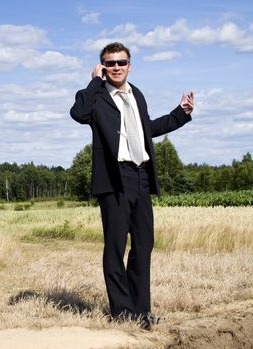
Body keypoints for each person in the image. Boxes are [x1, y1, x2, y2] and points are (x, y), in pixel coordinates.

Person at [70, 42, 193, 330]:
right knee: (115, 247)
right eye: (109, 63)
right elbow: (78, 114)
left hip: (141, 176)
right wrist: (93, 82)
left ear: (129, 65)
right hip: (114, 179)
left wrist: (180, 114)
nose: (116, 68)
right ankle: (122, 313)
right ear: (102, 67)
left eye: (121, 63)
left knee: (143, 245)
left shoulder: (136, 94)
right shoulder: (95, 97)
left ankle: (141, 311)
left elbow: (146, 129)